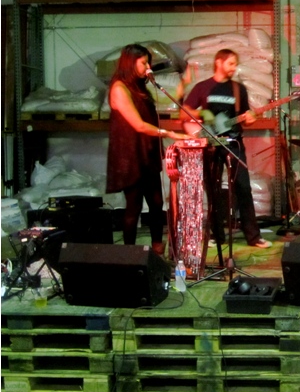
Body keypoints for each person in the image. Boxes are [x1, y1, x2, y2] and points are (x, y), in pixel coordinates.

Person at [180, 48, 272, 249]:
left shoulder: (239, 89)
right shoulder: (203, 87)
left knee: (243, 187)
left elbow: (245, 116)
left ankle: (253, 236)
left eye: (235, 64)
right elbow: (184, 112)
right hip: (210, 144)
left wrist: (250, 118)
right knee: (212, 189)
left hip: (234, 142)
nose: (234, 68)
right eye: (230, 63)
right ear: (219, 62)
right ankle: (217, 235)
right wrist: (204, 115)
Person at [106, 43, 192, 256]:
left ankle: (157, 247)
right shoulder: (119, 88)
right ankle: (129, 254)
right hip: (130, 155)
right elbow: (139, 125)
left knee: (156, 202)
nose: (148, 68)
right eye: (144, 63)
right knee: (134, 205)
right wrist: (170, 134)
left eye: (148, 63)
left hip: (147, 153)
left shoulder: (140, 87)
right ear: (130, 63)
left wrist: (184, 85)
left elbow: (155, 113)